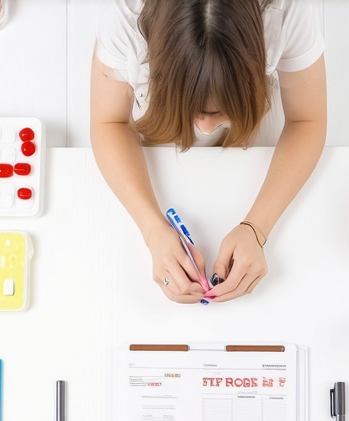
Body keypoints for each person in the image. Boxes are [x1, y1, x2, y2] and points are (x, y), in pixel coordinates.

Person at [90, 0, 326, 304]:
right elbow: (108, 121)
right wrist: (152, 229)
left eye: (219, 111)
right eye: (196, 110)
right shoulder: (123, 14)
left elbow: (308, 118)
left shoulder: (289, 10)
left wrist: (257, 228)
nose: (205, 130)